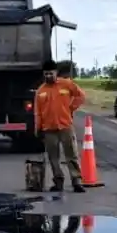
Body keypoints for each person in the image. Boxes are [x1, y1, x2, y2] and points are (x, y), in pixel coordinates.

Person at [34, 59, 86, 192]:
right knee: (53, 157)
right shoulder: (40, 91)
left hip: (65, 127)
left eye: (50, 73)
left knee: (71, 155)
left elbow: (80, 96)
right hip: (49, 129)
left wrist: (71, 109)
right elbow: (37, 112)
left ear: (56, 72)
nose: (48, 76)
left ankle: (77, 181)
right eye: (46, 74)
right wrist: (38, 128)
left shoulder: (66, 84)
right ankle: (58, 181)